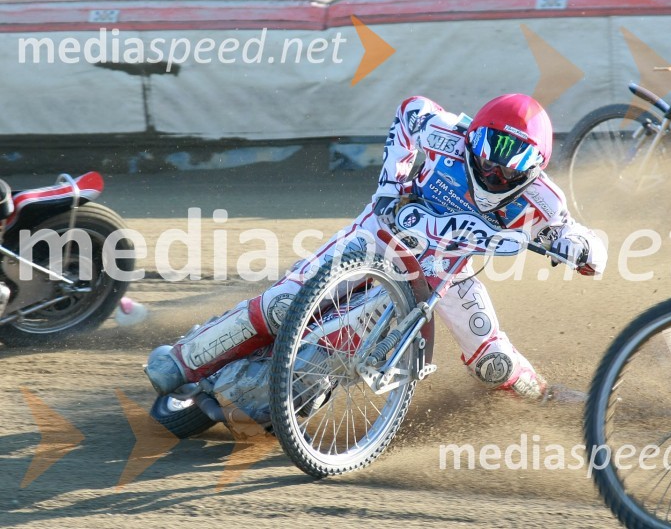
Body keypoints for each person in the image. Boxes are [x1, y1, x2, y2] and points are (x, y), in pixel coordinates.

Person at [144, 94, 608, 402]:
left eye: (516, 158)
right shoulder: (445, 132)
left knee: (493, 362)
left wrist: (581, 251)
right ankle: (185, 358)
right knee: (287, 303)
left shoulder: (543, 200)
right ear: (474, 134)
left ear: (538, 164)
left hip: (446, 274)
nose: (496, 166)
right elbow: (410, 111)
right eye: (489, 146)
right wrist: (392, 185)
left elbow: (582, 240)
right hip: (381, 233)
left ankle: (545, 395)